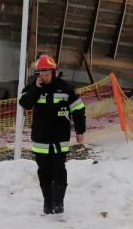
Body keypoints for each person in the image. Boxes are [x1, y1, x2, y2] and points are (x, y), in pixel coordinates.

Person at [18, 55, 84, 215]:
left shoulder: (67, 87)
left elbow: (78, 109)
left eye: (47, 74)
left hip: (60, 138)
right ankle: (48, 203)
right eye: (42, 74)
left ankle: (59, 202)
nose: (45, 77)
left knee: (59, 170)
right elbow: (25, 103)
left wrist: (80, 130)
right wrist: (36, 87)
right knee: (44, 171)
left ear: (55, 72)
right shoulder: (32, 88)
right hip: (40, 139)